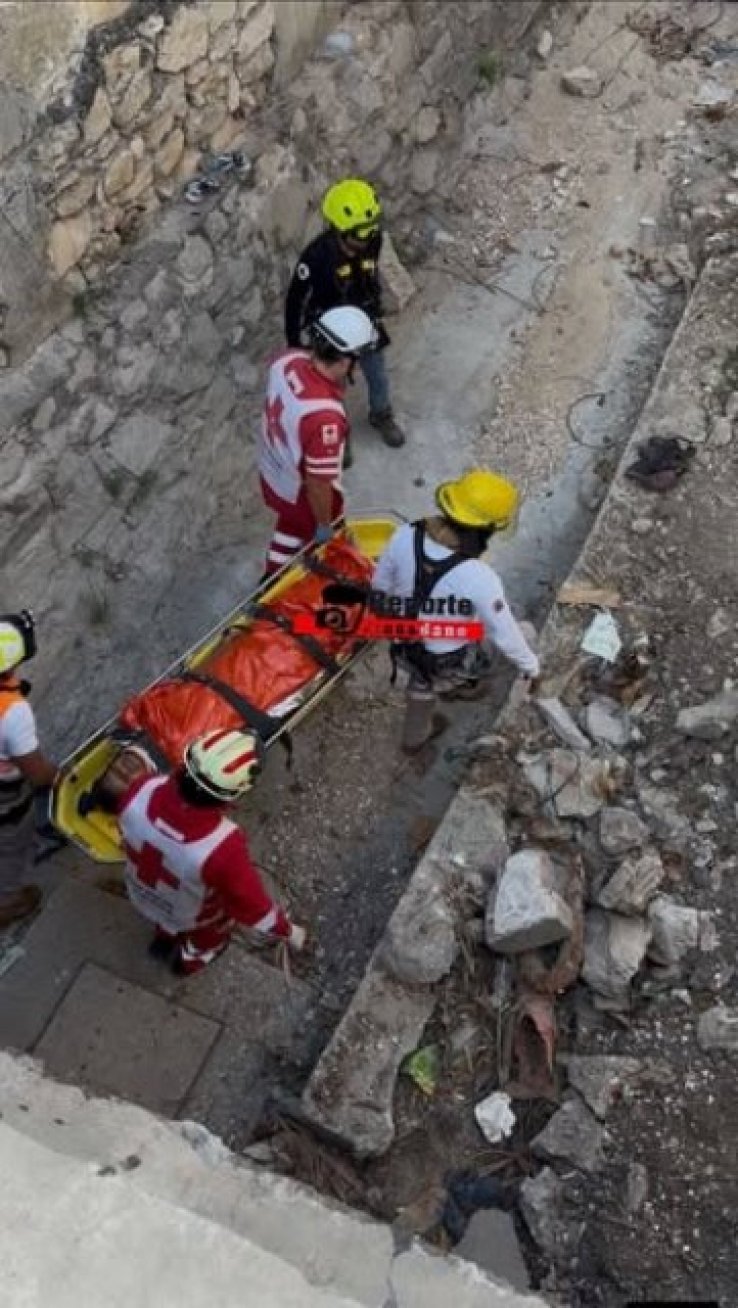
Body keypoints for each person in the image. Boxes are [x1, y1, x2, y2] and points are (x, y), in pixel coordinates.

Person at [372, 470, 540, 755]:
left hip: (403, 642)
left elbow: (379, 588)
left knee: (421, 677)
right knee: (523, 632)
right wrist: (531, 668)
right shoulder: (479, 577)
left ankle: (414, 740)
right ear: (485, 529)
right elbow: (505, 635)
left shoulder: (405, 535)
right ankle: (459, 684)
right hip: (446, 657)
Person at [116, 728, 307, 976]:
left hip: (142, 892)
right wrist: (286, 930)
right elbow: (250, 902)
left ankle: (163, 937)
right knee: (206, 940)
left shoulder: (140, 789)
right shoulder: (222, 847)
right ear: (231, 796)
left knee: (164, 916)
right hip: (195, 915)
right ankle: (188, 962)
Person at [284, 177, 405, 450]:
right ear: (339, 229)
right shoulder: (316, 257)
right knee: (331, 383)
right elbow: (295, 300)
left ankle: (381, 414)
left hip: (363, 315)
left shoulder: (372, 241)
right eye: (360, 234)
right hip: (329, 323)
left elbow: (368, 271)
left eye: (372, 230)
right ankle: (339, 432)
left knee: (377, 372)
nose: (367, 239)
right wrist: (294, 345)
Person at [258, 304, 376, 577]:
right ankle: (313, 577)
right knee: (316, 534)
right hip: (301, 490)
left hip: (273, 470)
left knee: (290, 524)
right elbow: (318, 484)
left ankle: (270, 575)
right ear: (347, 361)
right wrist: (325, 524)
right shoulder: (324, 419)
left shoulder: (286, 360)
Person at [0, 611, 59, 927]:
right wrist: (61, 776)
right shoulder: (13, 713)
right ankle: (7, 903)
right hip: (5, 798)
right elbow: (37, 773)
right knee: (12, 846)